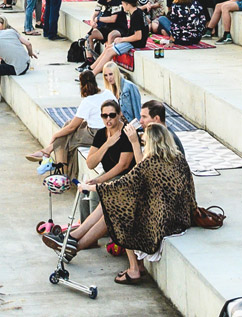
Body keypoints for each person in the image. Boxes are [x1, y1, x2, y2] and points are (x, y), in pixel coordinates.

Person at [53, 119, 194, 288]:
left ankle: (133, 268)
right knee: (118, 202)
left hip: (165, 222)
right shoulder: (179, 160)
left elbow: (122, 184)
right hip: (181, 217)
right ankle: (74, 242)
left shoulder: (151, 164)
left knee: (121, 211)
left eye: (144, 141)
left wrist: (89, 187)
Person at [28, 68, 107, 169]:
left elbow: (72, 128)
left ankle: (52, 157)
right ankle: (47, 152)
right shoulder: (107, 93)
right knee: (68, 124)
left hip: (96, 134)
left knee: (66, 134)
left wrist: (55, 135)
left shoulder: (88, 101)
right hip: (107, 128)